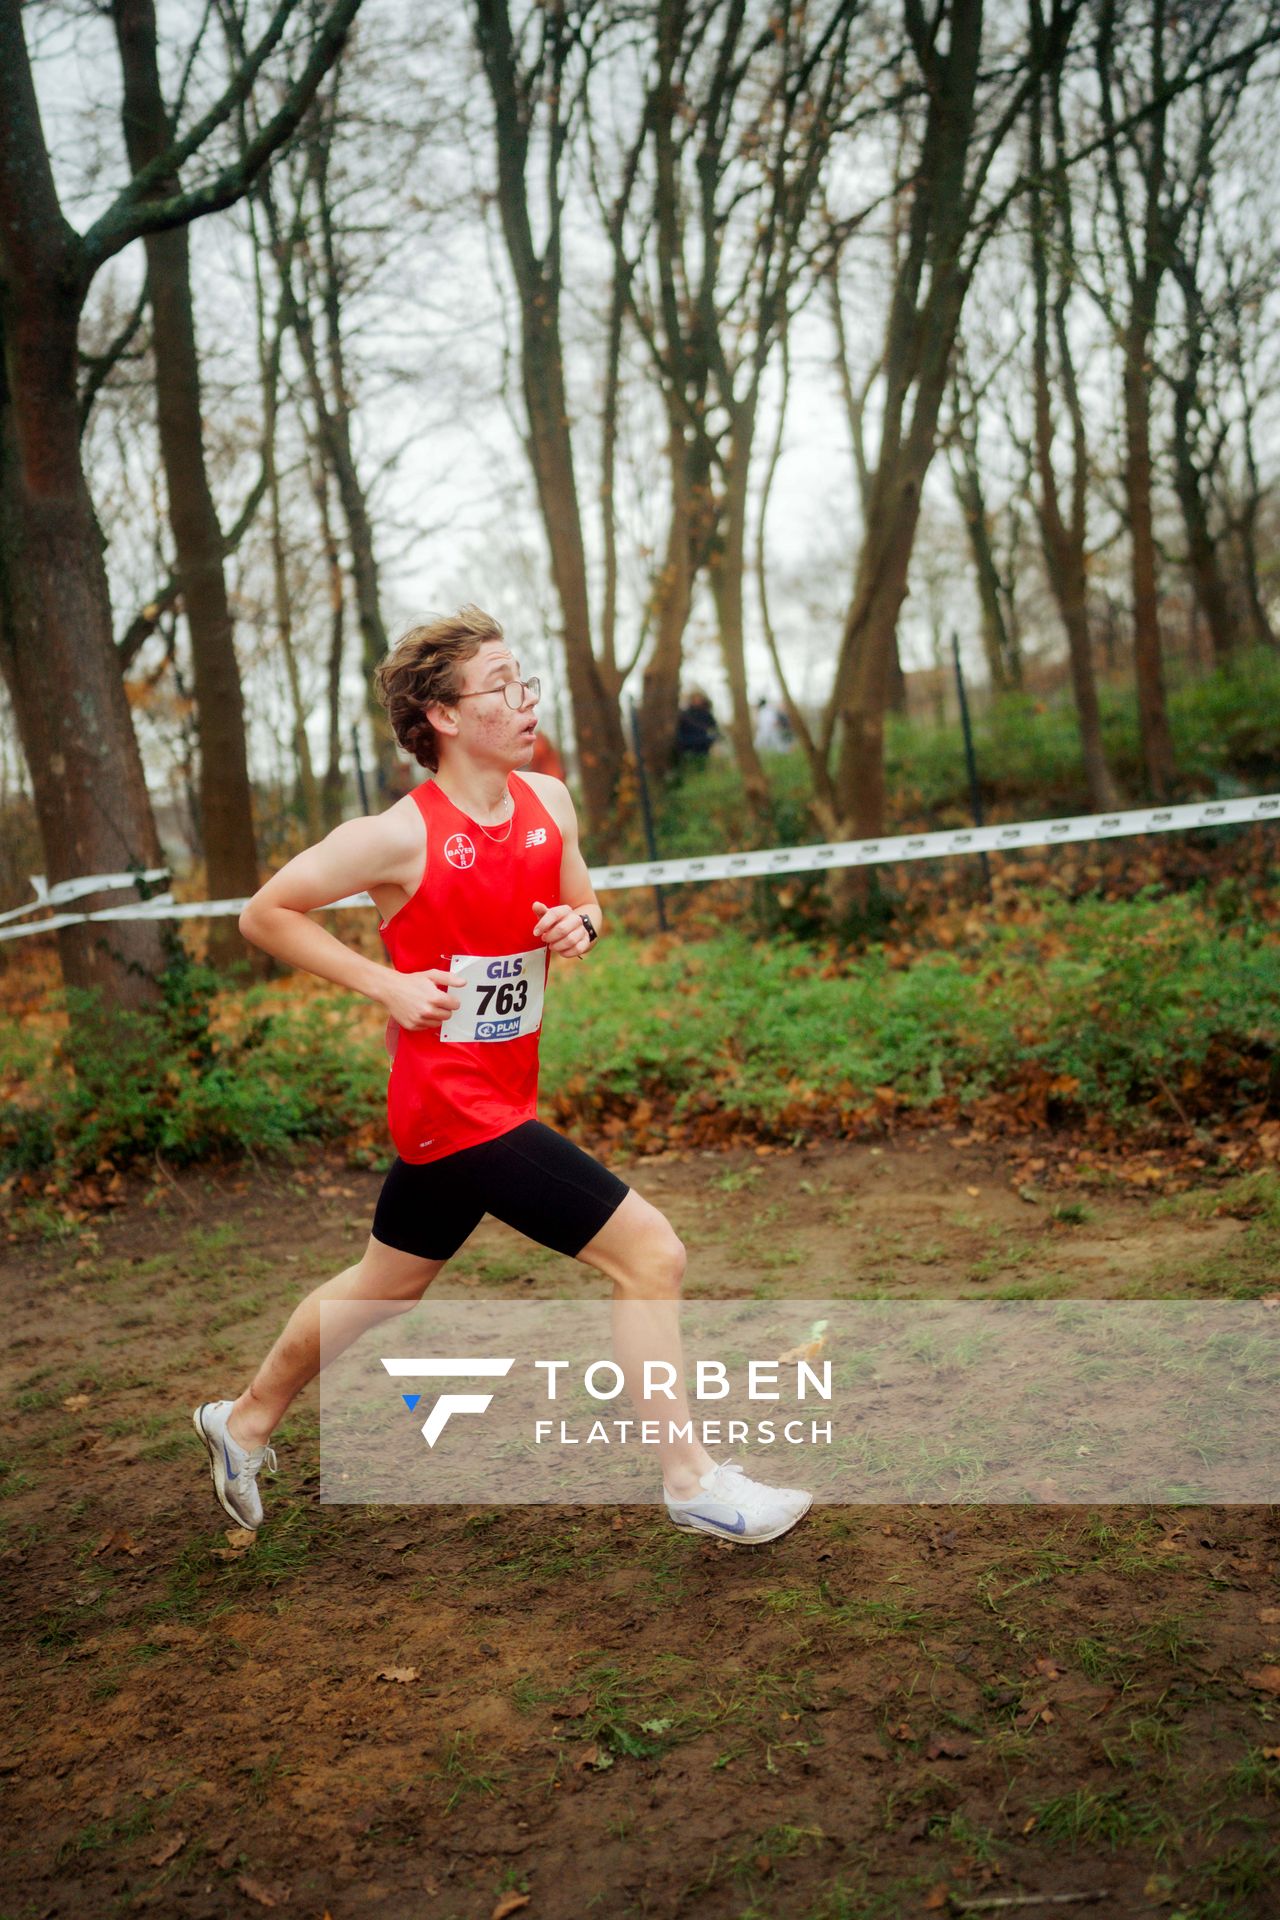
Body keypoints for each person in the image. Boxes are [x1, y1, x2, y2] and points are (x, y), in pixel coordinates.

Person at [193, 606, 811, 1545]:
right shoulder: (397, 836)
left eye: (526, 682)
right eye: (502, 687)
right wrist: (385, 984)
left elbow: (585, 904)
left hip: (502, 1093)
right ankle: (691, 1480)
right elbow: (265, 913)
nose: (526, 701)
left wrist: (579, 926)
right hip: (454, 1105)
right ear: (443, 716)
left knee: (387, 1285)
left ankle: (240, 1423)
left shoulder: (549, 802)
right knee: (651, 1255)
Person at [674, 687, 719, 763]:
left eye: (698, 698)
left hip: (703, 745)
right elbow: (680, 729)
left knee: (701, 762)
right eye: (694, 698)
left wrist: (710, 740)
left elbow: (714, 729)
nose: (696, 700)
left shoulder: (707, 715)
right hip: (687, 745)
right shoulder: (685, 714)